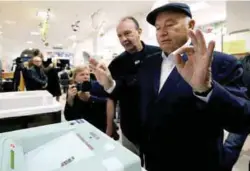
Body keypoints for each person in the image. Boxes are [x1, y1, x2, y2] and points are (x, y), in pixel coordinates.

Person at [90, 2, 250, 171]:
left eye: (170, 24)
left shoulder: (220, 63)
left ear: (191, 25)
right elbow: (133, 94)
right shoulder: (149, 63)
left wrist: (206, 89)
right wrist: (110, 84)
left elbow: (242, 119)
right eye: (158, 28)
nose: (162, 32)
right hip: (154, 161)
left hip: (198, 163)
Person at [105, 16, 161, 158]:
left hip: (158, 128)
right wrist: (109, 127)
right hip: (130, 129)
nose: (124, 39)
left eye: (127, 33)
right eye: (120, 35)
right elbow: (112, 98)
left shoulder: (159, 55)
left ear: (139, 31)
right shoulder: (116, 64)